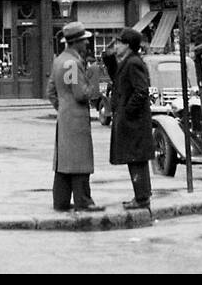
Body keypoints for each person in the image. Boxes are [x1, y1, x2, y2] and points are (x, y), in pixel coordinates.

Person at [46, 22, 103, 213]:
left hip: (64, 116)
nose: (87, 44)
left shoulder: (58, 60)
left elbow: (51, 91)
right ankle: (83, 200)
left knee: (63, 160)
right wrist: (93, 81)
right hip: (77, 117)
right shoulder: (73, 63)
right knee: (80, 159)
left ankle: (60, 201)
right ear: (76, 42)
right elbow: (81, 94)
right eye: (84, 41)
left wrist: (62, 107)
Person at [102, 27, 152, 211]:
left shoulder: (133, 63)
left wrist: (128, 111)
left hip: (134, 122)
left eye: (119, 42)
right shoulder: (127, 62)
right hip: (131, 120)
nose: (116, 46)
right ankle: (141, 195)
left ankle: (142, 198)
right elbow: (117, 77)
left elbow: (141, 91)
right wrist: (108, 57)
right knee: (135, 159)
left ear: (128, 45)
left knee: (136, 159)